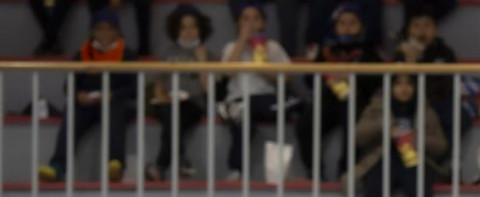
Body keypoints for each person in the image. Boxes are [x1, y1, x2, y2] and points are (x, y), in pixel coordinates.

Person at [38, 9, 137, 184]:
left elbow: (135, 87)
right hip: (88, 103)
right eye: (100, 28)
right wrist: (78, 95)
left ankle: (115, 164)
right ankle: (57, 166)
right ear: (92, 31)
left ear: (117, 31)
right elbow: (69, 85)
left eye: (109, 28)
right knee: (72, 110)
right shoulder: (82, 54)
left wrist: (114, 94)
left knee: (115, 109)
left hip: (115, 102)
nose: (105, 33)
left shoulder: (126, 54)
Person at [351, 74, 447, 197]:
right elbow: (358, 136)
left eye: (408, 84)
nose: (404, 89)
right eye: (398, 84)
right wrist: (384, 128)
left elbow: (441, 146)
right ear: (390, 88)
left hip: (414, 162)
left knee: (421, 192)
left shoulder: (425, 110)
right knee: (374, 190)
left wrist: (418, 139)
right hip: (383, 160)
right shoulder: (377, 108)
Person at [296, 1, 384, 181]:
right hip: (327, 99)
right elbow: (308, 79)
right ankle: (315, 172)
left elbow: (377, 82)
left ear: (360, 27)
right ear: (335, 27)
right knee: (305, 124)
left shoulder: (368, 52)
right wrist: (327, 77)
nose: (347, 28)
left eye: (352, 23)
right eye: (342, 23)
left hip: (356, 100)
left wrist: (352, 78)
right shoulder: (326, 50)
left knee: (354, 124)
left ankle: (346, 170)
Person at [220, 1, 296, 181]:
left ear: (263, 24)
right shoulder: (231, 48)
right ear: (238, 23)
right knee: (243, 119)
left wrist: (261, 64)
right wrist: (242, 41)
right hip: (238, 98)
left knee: (294, 104)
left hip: (266, 100)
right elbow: (227, 73)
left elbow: (286, 78)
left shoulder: (273, 47)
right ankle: (236, 170)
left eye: (255, 19)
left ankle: (241, 109)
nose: (250, 24)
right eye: (245, 19)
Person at [145, 5, 213, 182]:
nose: (188, 31)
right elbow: (158, 81)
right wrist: (161, 96)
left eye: (193, 26)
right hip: (168, 101)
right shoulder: (168, 52)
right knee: (170, 111)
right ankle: (181, 160)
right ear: (176, 29)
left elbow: (208, 90)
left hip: (194, 103)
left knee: (175, 114)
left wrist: (202, 62)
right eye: (183, 27)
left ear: (200, 28)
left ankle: (161, 165)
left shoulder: (207, 54)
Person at [394, 7, 464, 150]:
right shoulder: (401, 55)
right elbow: (397, 90)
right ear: (408, 31)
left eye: (427, 25)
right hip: (408, 105)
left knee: (458, 116)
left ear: (435, 30)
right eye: (416, 26)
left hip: (437, 102)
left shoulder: (445, 53)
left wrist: (418, 66)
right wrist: (409, 65)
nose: (422, 31)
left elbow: (446, 87)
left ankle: (444, 161)